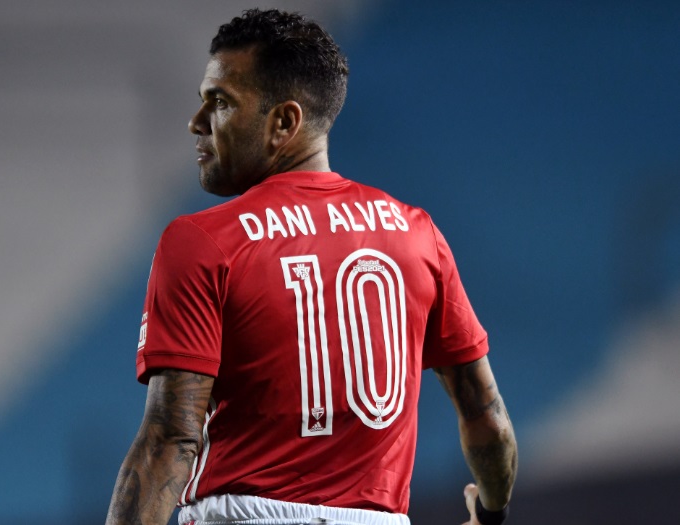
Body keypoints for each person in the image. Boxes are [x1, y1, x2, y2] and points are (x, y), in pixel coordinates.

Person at [107, 8, 517, 525]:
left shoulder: (204, 241)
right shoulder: (418, 235)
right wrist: (490, 512)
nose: (197, 122)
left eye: (221, 102)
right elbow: (487, 418)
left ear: (284, 122)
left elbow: (171, 438)